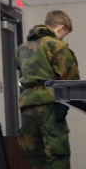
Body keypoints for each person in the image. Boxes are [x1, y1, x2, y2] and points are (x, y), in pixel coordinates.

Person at [16, 10, 80, 169]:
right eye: (64, 33)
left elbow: (21, 73)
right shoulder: (56, 46)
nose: (63, 38)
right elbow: (70, 80)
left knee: (34, 154)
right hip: (50, 104)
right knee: (57, 153)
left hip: (27, 106)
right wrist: (64, 104)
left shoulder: (22, 48)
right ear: (61, 28)